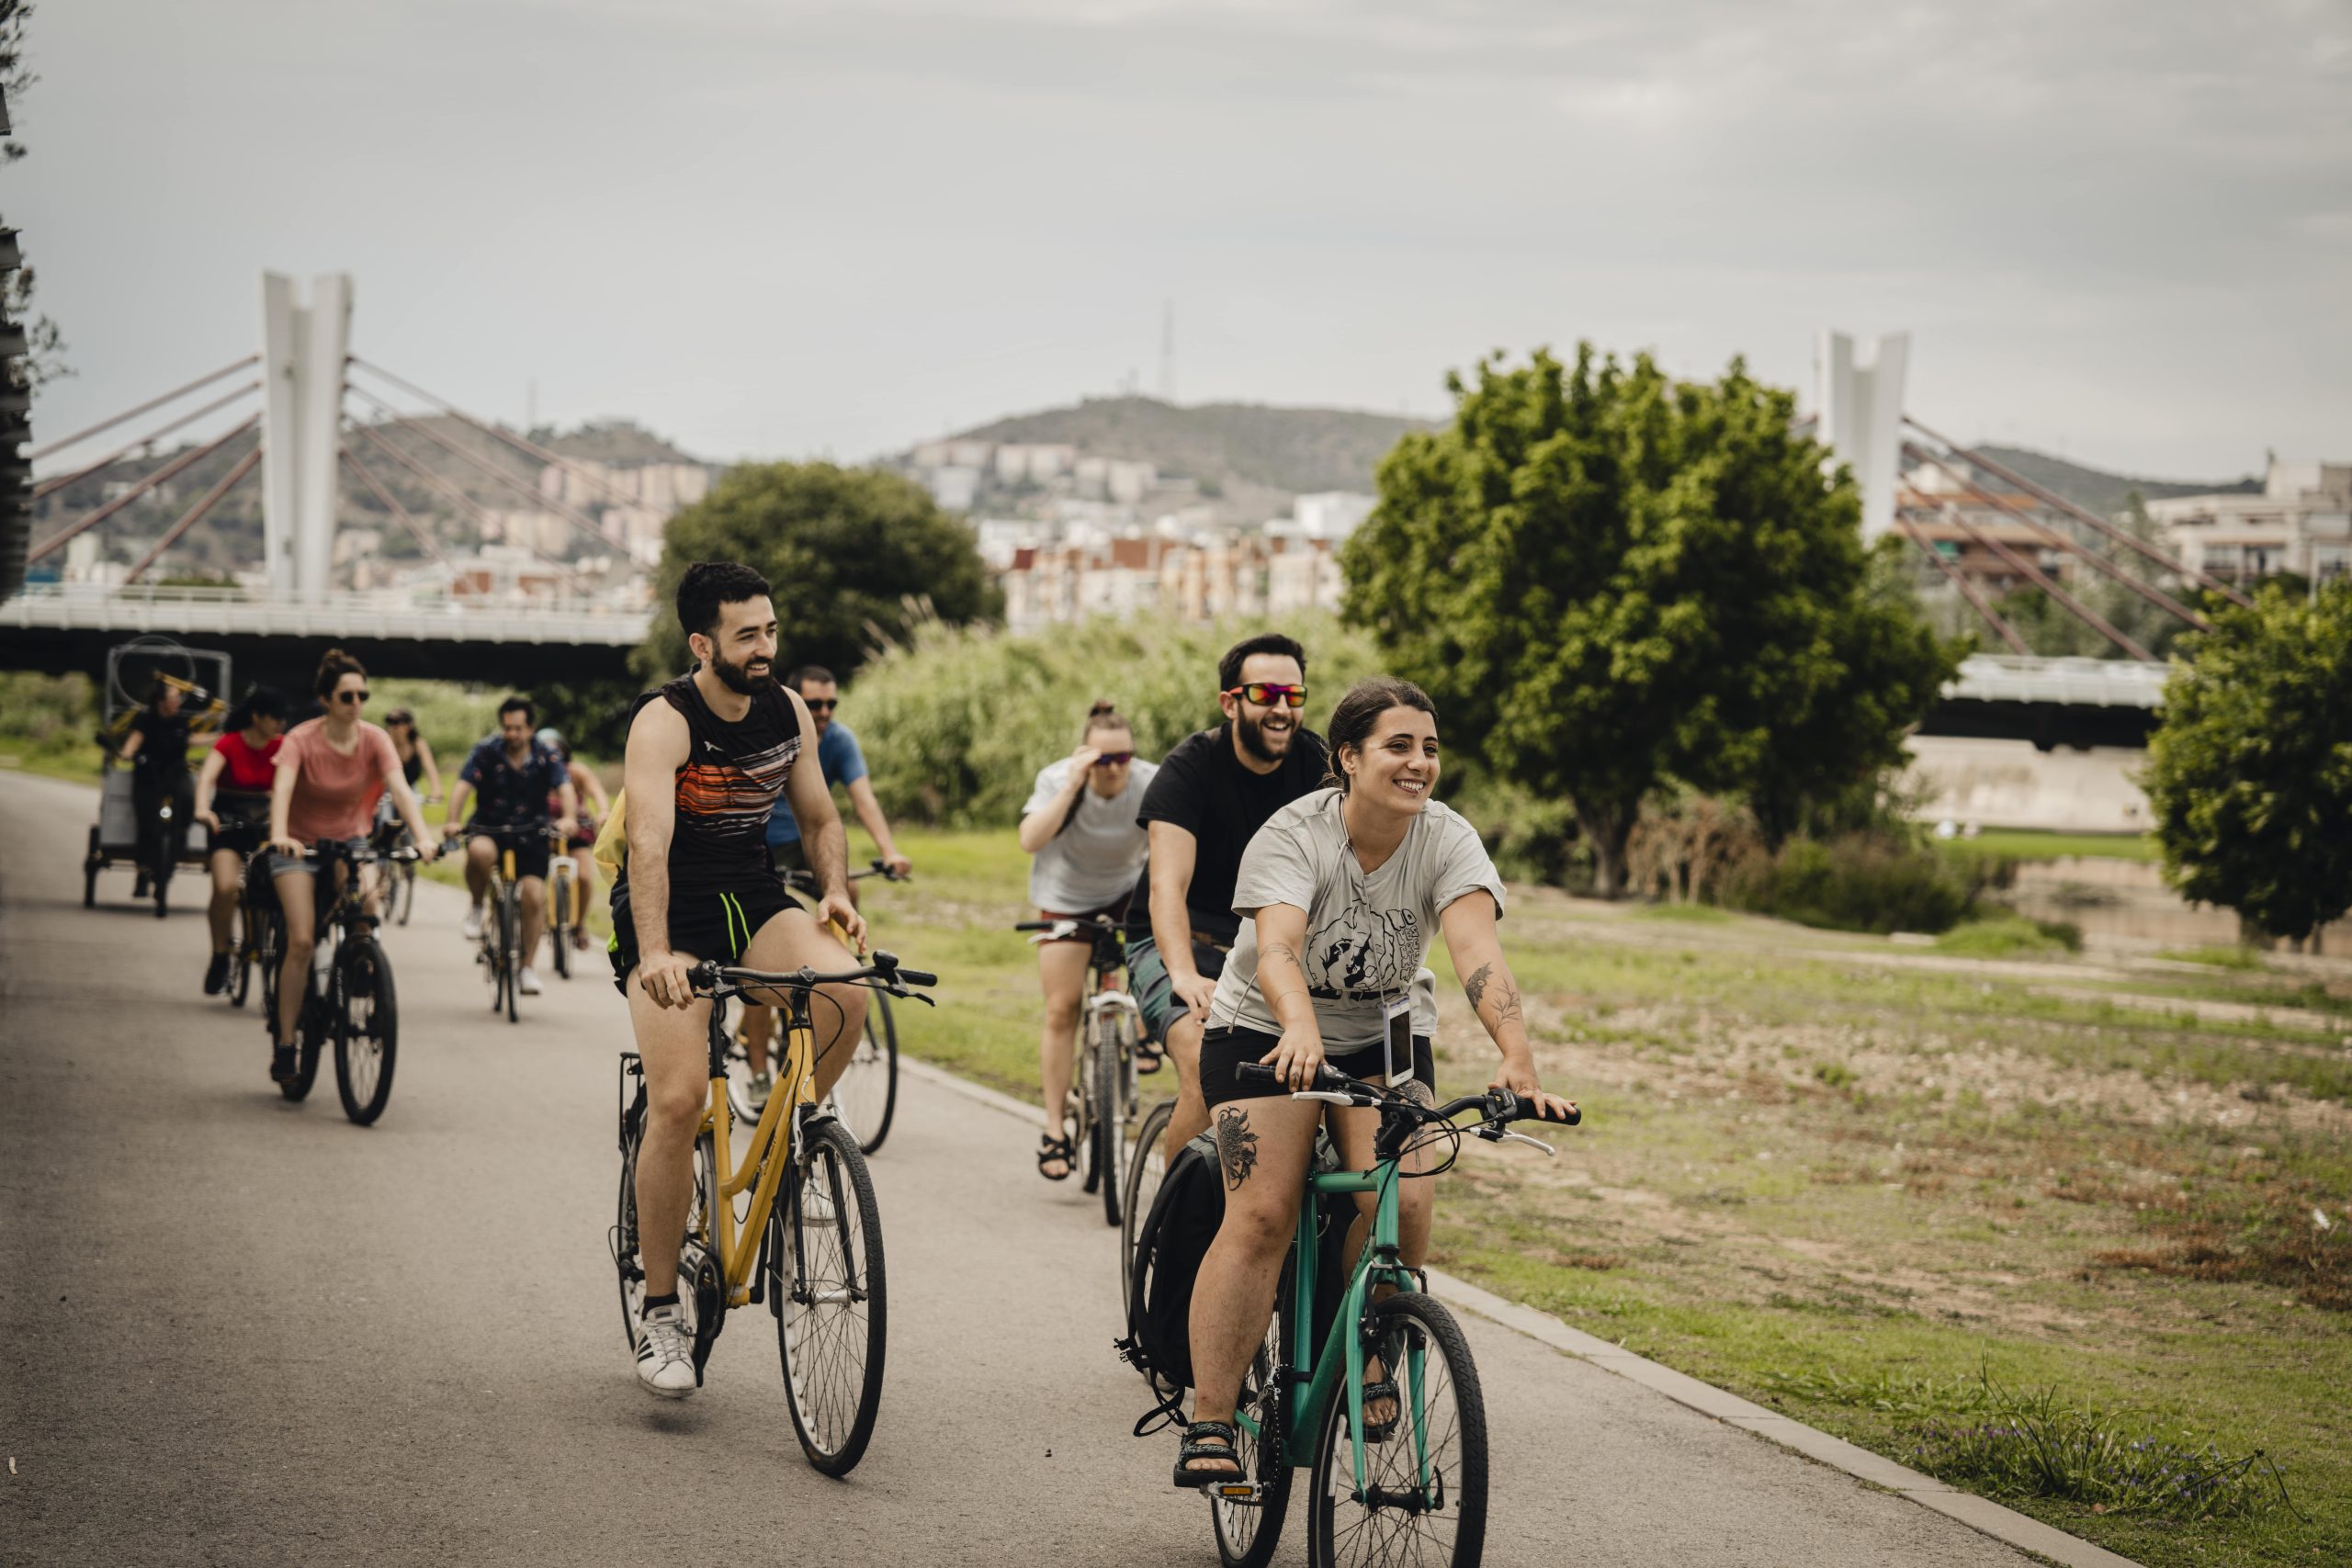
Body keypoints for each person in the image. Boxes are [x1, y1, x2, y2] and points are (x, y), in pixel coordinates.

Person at [1172, 676, 1577, 1486]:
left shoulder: (1448, 838)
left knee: (1408, 1196)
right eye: (1399, 745)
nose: (1419, 762)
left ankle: (1366, 1349)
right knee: (1263, 1210)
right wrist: (1298, 1026)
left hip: (1385, 1035)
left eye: (1429, 746)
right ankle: (1210, 1417)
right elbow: (1279, 948)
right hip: (1266, 1025)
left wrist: (1516, 1053)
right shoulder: (1292, 834)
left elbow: (1475, 952)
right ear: (1348, 757)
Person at [613, 560, 869, 1400]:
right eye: (746, 634)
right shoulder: (664, 722)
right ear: (702, 642)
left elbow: (823, 818)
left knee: (846, 992)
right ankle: (659, 1311)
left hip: (752, 894)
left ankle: (794, 1149)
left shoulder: (786, 707)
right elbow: (647, 845)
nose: (765, 647)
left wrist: (833, 887)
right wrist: (654, 952)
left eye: (770, 629)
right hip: (671, 908)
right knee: (680, 1100)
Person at [1124, 633, 1327, 1162]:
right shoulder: (1190, 768)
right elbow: (1166, 887)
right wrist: (1185, 974)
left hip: (1274, 943)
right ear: (1230, 702)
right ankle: (1174, 1236)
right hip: (1184, 941)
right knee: (1200, 1060)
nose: (1282, 708)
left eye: (1293, 695)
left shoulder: (1321, 768)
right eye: (1264, 695)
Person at [263, 649, 440, 1080]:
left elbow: (399, 789)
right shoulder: (301, 739)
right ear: (326, 699)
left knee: (367, 911)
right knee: (302, 941)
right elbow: (282, 789)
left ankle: (361, 972)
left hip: (350, 844)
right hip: (299, 849)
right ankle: (287, 1041)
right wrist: (279, 834)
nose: (357, 703)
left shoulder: (375, 739)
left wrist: (422, 837)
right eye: (347, 696)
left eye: (363, 694)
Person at [737, 664, 913, 1065]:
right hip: (761, 845)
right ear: (796, 701)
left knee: (847, 889)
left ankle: (836, 967)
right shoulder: (773, 730)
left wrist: (889, 850)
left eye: (831, 703)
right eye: (815, 703)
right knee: (762, 945)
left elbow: (863, 798)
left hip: (804, 844)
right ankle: (760, 1065)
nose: (824, 712)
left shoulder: (840, 740)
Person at [1015, 700, 1159, 1181]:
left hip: (1127, 892)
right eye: (1102, 759)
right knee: (1062, 1009)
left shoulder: (1149, 779)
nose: (1115, 768)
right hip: (1066, 896)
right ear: (1084, 755)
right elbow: (1030, 839)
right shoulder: (1057, 779)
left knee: (1157, 954)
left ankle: (1141, 1032)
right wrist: (1076, 782)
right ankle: (1055, 1128)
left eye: (1123, 757)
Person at [444, 697, 577, 997]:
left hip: (532, 832)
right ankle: (477, 907)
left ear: (531, 728)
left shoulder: (546, 755)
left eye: (518, 728)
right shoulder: (485, 751)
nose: (512, 734)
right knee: (479, 852)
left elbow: (565, 787)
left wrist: (568, 818)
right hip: (490, 827)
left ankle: (527, 968)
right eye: (507, 728)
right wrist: (453, 820)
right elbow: (464, 785)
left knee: (533, 895)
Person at [192, 686, 288, 994]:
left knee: (277, 891)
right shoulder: (229, 743)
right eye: (275, 717)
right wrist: (202, 809)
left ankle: (270, 944)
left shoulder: (284, 746)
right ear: (256, 716)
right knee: (225, 888)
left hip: (268, 825)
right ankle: (220, 954)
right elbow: (207, 777)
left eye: (284, 718)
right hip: (229, 823)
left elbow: (295, 783)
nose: (280, 724)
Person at [118, 676, 197, 884]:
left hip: (175, 774)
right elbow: (134, 740)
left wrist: (224, 738)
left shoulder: (181, 721)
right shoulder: (145, 719)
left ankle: (180, 837)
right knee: (147, 823)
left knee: (188, 799)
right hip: (149, 776)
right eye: (174, 697)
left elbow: (191, 740)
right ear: (161, 701)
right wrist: (127, 752)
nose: (178, 701)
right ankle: (143, 868)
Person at [538, 727, 610, 953]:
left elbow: (596, 791)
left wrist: (603, 812)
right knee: (534, 879)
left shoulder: (576, 772)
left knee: (585, 877)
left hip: (577, 832)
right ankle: (539, 917)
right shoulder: (533, 774)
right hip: (542, 833)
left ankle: (579, 924)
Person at [380, 707, 443, 804]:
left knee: (414, 812)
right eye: (389, 722)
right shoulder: (384, 743)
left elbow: (430, 768)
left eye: (396, 723)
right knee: (385, 814)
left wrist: (436, 790)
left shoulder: (418, 744)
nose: (392, 726)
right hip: (387, 789)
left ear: (408, 726)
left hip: (410, 788)